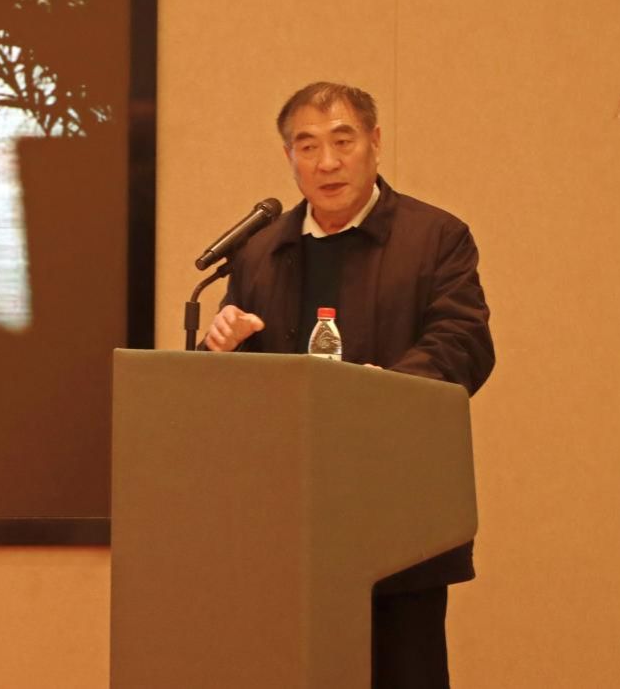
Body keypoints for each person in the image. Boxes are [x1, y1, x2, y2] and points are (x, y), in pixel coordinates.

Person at [203, 81, 494, 689]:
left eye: (343, 141)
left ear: (375, 143)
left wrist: (383, 394)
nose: (326, 162)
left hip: (398, 511)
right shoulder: (260, 250)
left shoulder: (435, 237)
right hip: (286, 519)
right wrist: (221, 348)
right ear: (289, 157)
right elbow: (239, 396)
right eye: (307, 146)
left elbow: (462, 342)